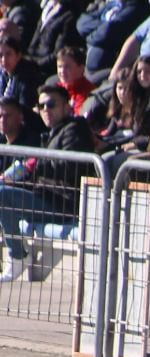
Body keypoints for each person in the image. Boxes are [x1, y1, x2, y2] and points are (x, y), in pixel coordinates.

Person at [0, 83, 94, 281]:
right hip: (45, 197)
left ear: (67, 107)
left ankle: (18, 256)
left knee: (2, 195)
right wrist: (15, 176)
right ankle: (17, 255)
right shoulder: (51, 134)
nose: (46, 110)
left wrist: (34, 163)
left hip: (62, 203)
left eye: (51, 104)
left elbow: (66, 165)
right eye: (42, 106)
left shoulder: (75, 129)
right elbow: (40, 168)